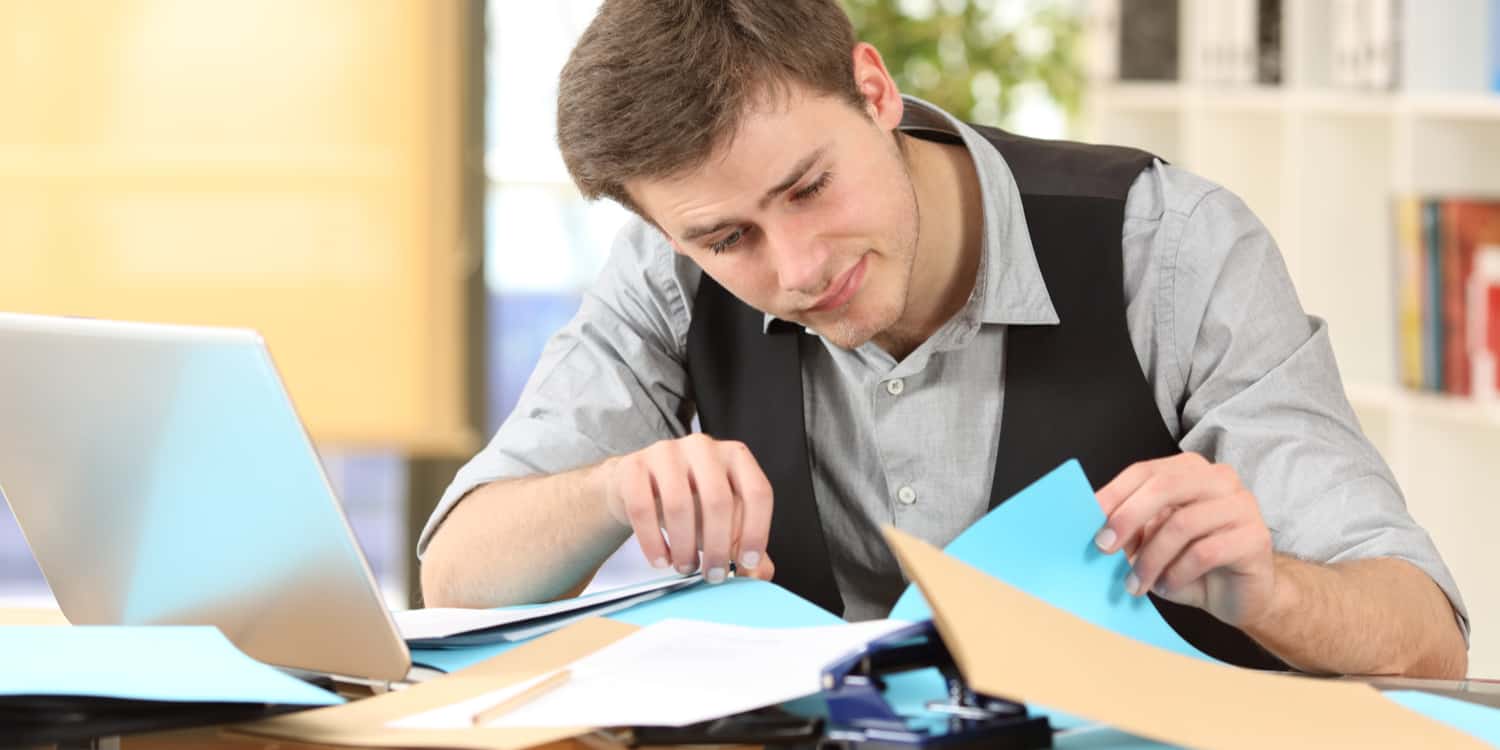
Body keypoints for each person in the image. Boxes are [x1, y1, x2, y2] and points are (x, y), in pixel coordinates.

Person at [419, 0, 1468, 677]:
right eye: (727, 235)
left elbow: (1424, 641)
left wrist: (1272, 590)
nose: (794, 268)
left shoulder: (1171, 248)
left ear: (875, 92)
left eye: (808, 187)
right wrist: (613, 488)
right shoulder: (672, 274)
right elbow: (458, 578)